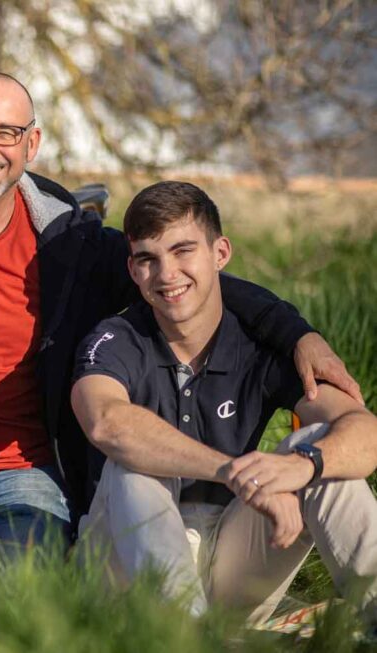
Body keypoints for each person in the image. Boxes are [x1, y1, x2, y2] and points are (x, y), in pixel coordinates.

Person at [0, 71, 361, 592]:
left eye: (6, 133)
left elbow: (179, 282)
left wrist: (296, 334)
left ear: (31, 143)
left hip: (25, 475)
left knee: (12, 601)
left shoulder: (67, 238)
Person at [71, 181, 377, 623]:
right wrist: (233, 473)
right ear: (134, 271)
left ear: (220, 254)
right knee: (131, 464)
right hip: (120, 567)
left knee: (321, 451)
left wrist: (304, 465)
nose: (167, 274)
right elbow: (107, 423)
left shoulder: (262, 345)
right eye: (148, 259)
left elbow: (363, 429)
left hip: (234, 550)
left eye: (183, 251)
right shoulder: (115, 339)